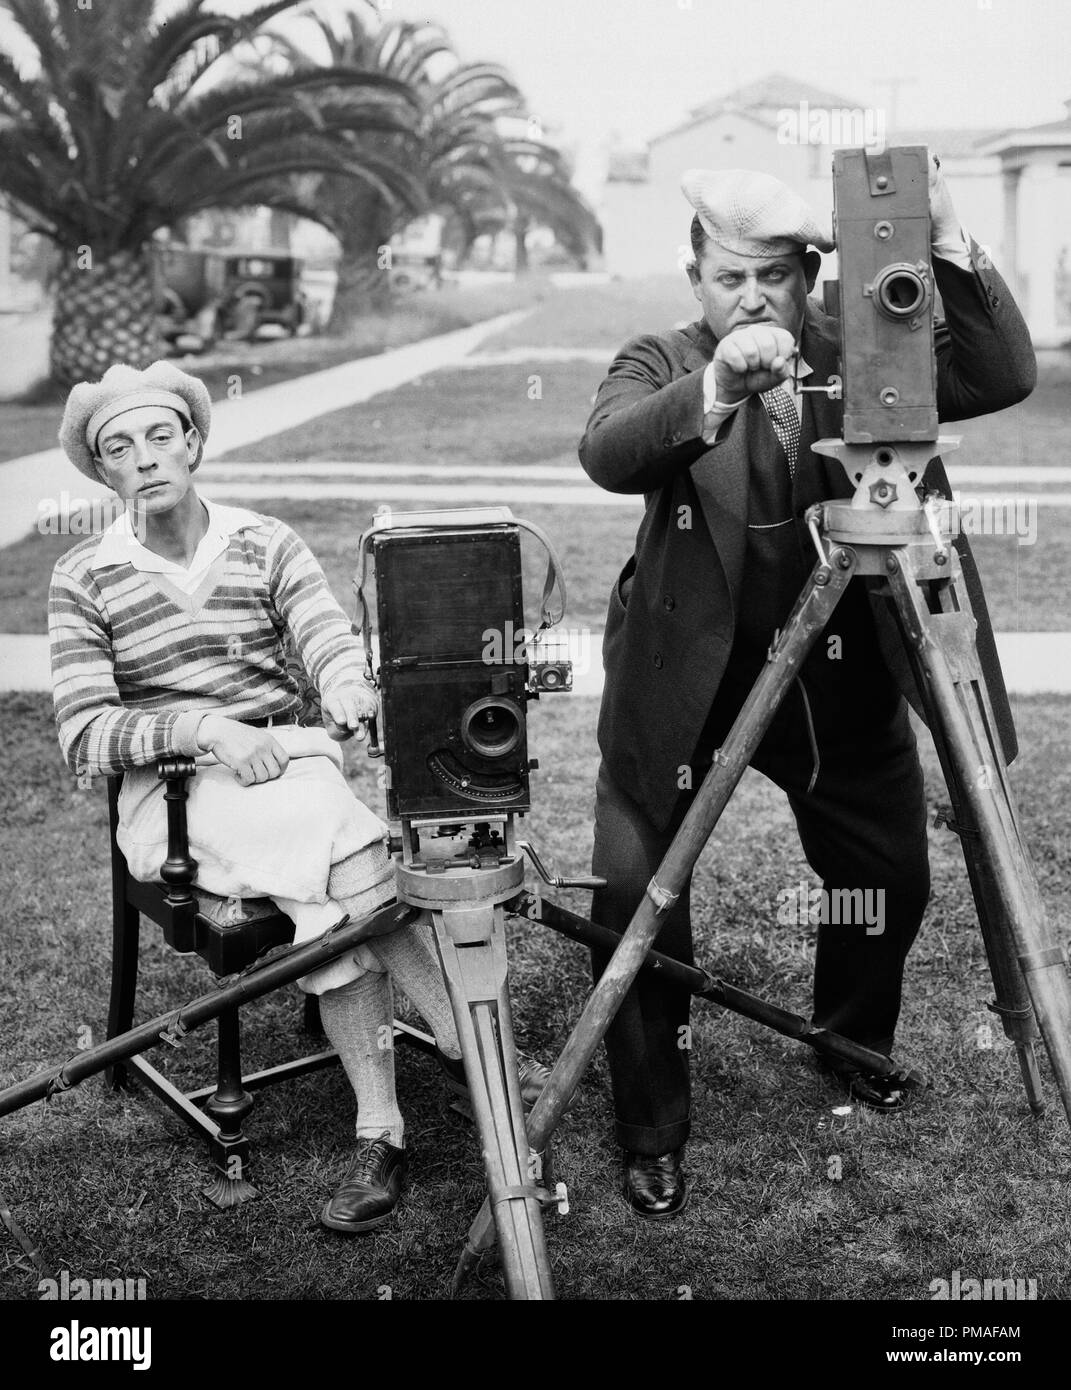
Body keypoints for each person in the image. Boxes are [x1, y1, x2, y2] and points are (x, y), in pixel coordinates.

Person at [579, 162, 1036, 1219]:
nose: (752, 297)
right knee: (629, 893)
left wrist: (948, 239)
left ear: (808, 277)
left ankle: (847, 1039)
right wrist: (718, 388)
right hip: (685, 684)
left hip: (839, 675)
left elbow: (1001, 374)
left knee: (888, 876)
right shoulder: (660, 359)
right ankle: (651, 1127)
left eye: (774, 276)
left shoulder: (866, 343)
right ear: (696, 280)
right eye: (729, 277)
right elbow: (607, 451)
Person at [48, 361, 545, 1234]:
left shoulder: (264, 540)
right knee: (349, 849)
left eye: (160, 436)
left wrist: (345, 680)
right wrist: (205, 730)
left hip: (290, 769)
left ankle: (382, 1132)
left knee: (328, 892)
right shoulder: (85, 574)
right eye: (119, 448)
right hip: (173, 799)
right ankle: (477, 1056)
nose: (146, 458)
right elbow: (84, 732)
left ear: (193, 443)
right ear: (105, 472)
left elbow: (324, 634)